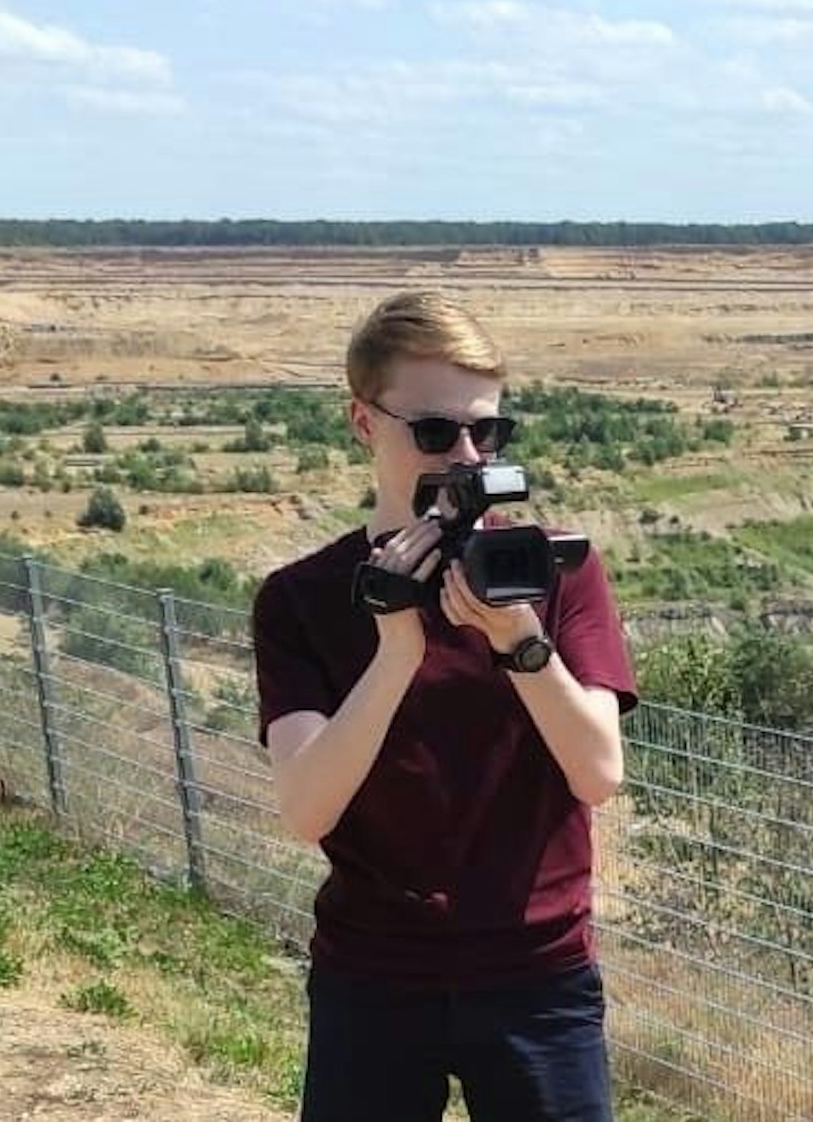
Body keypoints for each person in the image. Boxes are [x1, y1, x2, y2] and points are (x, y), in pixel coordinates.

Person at [252, 291, 637, 1122]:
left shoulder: (559, 572)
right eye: (435, 432)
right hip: (374, 976)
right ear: (363, 423)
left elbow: (599, 773)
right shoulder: (302, 600)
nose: (465, 454)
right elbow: (306, 807)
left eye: (486, 431)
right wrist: (396, 651)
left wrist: (520, 642)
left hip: (539, 974)